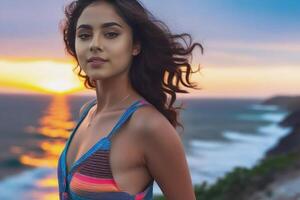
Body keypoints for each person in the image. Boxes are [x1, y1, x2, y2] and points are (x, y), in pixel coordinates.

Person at [57, 0, 203, 199]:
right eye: (84, 35)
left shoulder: (148, 126)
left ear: (135, 45)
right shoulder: (87, 112)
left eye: (111, 34)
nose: (94, 45)